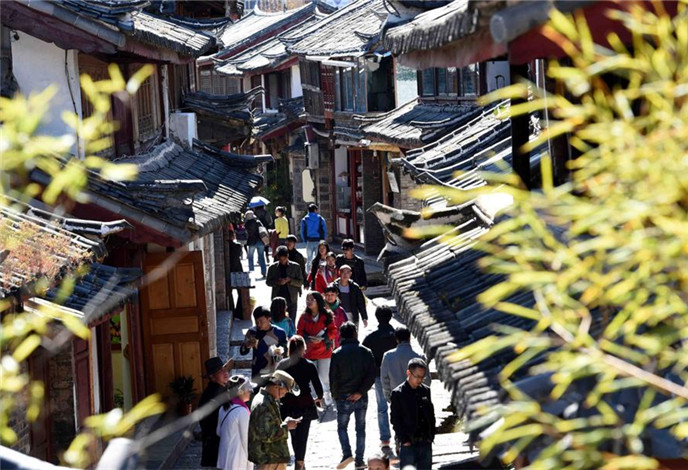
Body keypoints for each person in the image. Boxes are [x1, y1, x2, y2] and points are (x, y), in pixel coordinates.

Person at [330, 322, 376, 470]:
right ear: (355, 333)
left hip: (343, 396)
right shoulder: (366, 352)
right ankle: (359, 460)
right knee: (360, 429)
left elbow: (333, 378)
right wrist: (361, 392)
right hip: (361, 396)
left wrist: (335, 396)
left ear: (341, 335)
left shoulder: (337, 353)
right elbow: (371, 375)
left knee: (342, 427)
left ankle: (347, 453)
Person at [277, 336, 325, 470]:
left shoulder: (282, 365)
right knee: (303, 436)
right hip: (305, 404)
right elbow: (318, 387)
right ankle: (300, 464)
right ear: (303, 348)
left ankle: (300, 463)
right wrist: (319, 398)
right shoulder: (309, 365)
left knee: (294, 436)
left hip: (288, 404)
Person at [249, 370, 302, 470]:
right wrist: (287, 426)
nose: (284, 395)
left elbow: (269, 427)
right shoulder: (263, 404)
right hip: (269, 460)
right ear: (276, 387)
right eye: (284, 391)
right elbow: (266, 435)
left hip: (273, 459)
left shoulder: (268, 400)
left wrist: (284, 423)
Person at [362, 306, 397, 456]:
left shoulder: (371, 338)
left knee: (382, 408)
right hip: (396, 374)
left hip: (379, 375)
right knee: (399, 405)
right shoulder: (397, 335)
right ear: (391, 316)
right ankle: (400, 436)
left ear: (376, 317)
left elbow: (363, 356)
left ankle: (385, 440)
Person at [390, 358, 435, 470]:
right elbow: (395, 419)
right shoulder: (398, 393)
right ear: (408, 373)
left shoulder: (425, 390)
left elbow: (430, 415)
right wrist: (404, 440)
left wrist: (431, 436)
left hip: (425, 442)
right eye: (417, 376)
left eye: (422, 377)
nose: (420, 380)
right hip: (408, 443)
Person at [296, 291, 337, 408]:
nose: (309, 302)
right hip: (309, 352)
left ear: (318, 301)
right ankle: (315, 399)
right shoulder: (304, 317)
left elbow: (333, 331)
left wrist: (323, 338)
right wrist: (308, 339)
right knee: (312, 378)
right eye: (307, 300)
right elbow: (299, 332)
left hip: (324, 351)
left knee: (324, 376)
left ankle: (327, 393)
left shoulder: (327, 315)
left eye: (312, 300)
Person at [198, 356, 234, 467]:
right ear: (212, 377)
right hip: (216, 444)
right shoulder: (213, 394)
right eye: (220, 371)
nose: (225, 372)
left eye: (224, 369)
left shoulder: (222, 388)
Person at [380, 327, 430, 401]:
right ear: (409, 338)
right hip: (416, 397)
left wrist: (389, 396)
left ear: (396, 339)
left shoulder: (388, 356)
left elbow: (384, 379)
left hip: (397, 397)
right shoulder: (420, 356)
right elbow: (427, 379)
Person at [240, 306, 288, 381]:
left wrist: (279, 351)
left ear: (269, 319)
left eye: (261, 321)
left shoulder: (280, 333)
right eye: (256, 321)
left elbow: (286, 351)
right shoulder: (252, 332)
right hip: (257, 372)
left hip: (273, 372)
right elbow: (242, 351)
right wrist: (246, 346)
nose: (258, 324)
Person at [216, 375, 253, 470]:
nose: (250, 391)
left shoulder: (223, 408)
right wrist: (250, 464)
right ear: (240, 391)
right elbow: (246, 440)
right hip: (238, 461)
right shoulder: (242, 411)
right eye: (248, 389)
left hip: (225, 458)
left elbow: (218, 432)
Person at [266, 246, 304, 322]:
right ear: (277, 257)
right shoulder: (272, 268)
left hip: (292, 298)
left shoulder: (295, 267)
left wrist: (290, 280)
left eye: (284, 259)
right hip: (278, 298)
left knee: (291, 321)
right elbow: (268, 282)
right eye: (281, 259)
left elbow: (300, 282)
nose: (283, 261)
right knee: (277, 321)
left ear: (287, 256)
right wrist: (277, 282)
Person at [323, 284, 348, 348]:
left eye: (332, 294)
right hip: (324, 343)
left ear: (336, 295)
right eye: (327, 295)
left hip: (338, 343)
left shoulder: (341, 310)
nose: (329, 297)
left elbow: (346, 326)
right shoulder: (321, 309)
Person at [244, 210, 267, 278]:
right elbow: (263, 230)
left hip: (251, 242)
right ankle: (264, 272)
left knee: (250, 257)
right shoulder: (258, 222)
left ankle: (251, 271)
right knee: (261, 257)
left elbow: (246, 233)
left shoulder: (246, 224)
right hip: (260, 241)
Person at [227, 229, 244, 316]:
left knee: (228, 293)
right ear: (233, 236)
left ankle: (232, 310)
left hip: (227, 271)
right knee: (240, 292)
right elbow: (239, 255)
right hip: (237, 270)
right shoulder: (237, 246)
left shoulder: (225, 246)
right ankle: (239, 312)